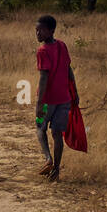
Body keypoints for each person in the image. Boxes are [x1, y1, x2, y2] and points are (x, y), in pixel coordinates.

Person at [34, 14, 77, 182]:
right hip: (64, 99)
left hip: (47, 101)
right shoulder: (62, 45)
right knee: (57, 134)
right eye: (36, 30)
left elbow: (43, 78)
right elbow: (69, 70)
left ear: (51, 31)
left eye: (41, 31)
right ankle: (56, 170)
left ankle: (48, 159)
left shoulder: (42, 51)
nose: (37, 34)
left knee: (39, 127)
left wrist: (39, 103)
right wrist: (75, 92)